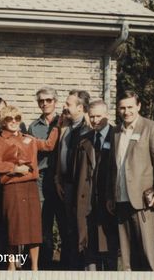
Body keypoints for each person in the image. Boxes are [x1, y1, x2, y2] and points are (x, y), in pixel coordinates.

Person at [0, 105, 59, 271]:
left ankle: (34, 267)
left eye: (17, 119)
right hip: (12, 188)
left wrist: (58, 126)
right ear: (3, 122)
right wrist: (14, 168)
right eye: (9, 119)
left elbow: (49, 145)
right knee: (15, 228)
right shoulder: (1, 141)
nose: (14, 122)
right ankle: (11, 266)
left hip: (31, 188)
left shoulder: (29, 139)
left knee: (34, 228)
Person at [106, 90, 154, 271]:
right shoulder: (115, 131)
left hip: (142, 201)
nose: (126, 111)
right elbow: (111, 167)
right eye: (122, 108)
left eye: (130, 107)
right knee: (126, 258)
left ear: (138, 106)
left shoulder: (150, 127)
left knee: (146, 255)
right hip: (121, 200)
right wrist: (110, 196)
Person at [75, 100, 118, 271]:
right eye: (91, 116)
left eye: (99, 116)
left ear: (107, 115)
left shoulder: (117, 137)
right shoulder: (84, 140)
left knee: (108, 248)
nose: (95, 120)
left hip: (108, 201)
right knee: (89, 246)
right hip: (88, 201)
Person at [27, 87, 66, 269]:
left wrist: (34, 142)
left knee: (65, 222)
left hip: (61, 179)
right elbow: (31, 152)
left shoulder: (64, 122)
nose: (45, 103)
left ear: (55, 102)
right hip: (41, 180)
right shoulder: (34, 126)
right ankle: (44, 264)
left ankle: (67, 264)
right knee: (43, 223)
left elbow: (49, 146)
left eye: (48, 100)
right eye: (41, 101)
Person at [55, 89, 91, 270]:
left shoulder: (89, 129)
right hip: (66, 186)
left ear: (80, 107)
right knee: (68, 230)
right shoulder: (65, 128)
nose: (64, 107)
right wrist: (58, 180)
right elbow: (60, 156)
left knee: (81, 230)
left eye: (68, 104)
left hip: (83, 190)